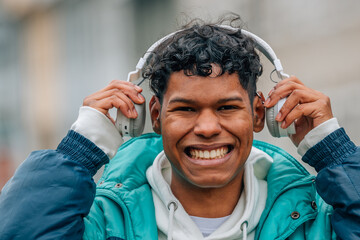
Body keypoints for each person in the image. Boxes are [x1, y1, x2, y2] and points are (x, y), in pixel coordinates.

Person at [0, 18, 359, 240]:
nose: (206, 127)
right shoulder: (101, 221)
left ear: (259, 114)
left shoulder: (315, 219)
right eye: (185, 109)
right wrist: (78, 151)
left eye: (227, 107)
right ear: (154, 116)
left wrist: (335, 151)